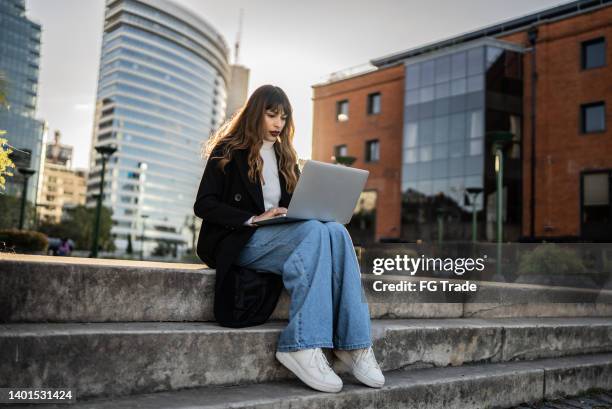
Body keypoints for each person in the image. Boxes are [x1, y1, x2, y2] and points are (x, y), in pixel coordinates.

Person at [193, 85, 384, 393]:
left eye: (283, 117)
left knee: (335, 229)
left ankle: (354, 343)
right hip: (239, 239)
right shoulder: (228, 151)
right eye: (271, 115)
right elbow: (204, 204)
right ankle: (301, 344)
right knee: (313, 231)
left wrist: (290, 211)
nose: (278, 123)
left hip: (279, 236)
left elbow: (299, 207)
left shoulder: (285, 157)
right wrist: (254, 218)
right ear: (256, 113)